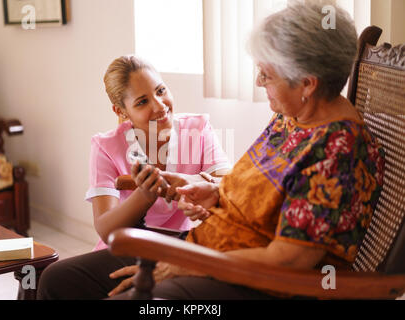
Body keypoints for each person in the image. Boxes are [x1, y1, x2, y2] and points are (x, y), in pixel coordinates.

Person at [39, 2, 385, 300]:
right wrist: (215, 191)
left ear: (307, 83)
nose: (258, 83)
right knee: (57, 280)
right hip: (207, 247)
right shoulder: (294, 116)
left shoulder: (335, 151)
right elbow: (264, 191)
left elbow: (289, 261)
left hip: (253, 283)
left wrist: (190, 265)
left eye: (266, 75)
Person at [36, 55, 231, 299]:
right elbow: (106, 230)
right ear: (121, 111)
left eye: (161, 90)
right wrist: (145, 194)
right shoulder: (106, 146)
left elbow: (229, 185)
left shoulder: (198, 128)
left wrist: (192, 184)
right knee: (53, 278)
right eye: (142, 102)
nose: (159, 105)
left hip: (182, 244)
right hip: (130, 243)